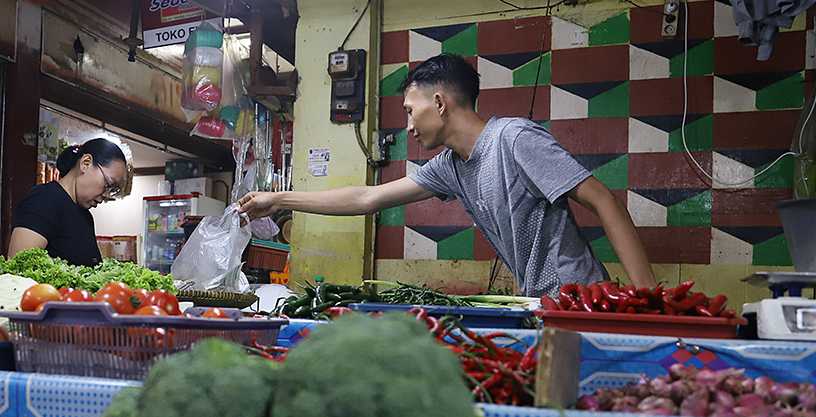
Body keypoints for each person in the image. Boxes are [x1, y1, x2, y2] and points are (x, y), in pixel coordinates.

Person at [237, 53, 656, 298]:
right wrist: (280, 200)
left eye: (409, 111)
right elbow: (368, 198)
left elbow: (605, 201)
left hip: (583, 298)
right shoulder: (452, 166)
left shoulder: (514, 139)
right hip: (541, 304)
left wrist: (649, 302)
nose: (409, 127)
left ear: (438, 102)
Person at [8, 138, 127, 266]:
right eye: (108, 184)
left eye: (113, 189)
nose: (107, 194)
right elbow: (20, 259)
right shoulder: (44, 200)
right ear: (85, 163)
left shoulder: (85, 215)